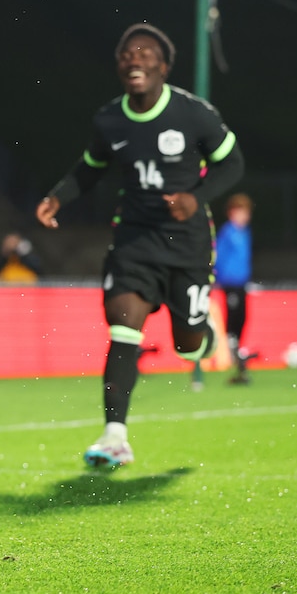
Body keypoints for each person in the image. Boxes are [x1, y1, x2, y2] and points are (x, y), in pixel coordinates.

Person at [36, 23, 245, 468]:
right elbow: (90, 166)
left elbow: (232, 163)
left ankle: (203, 339)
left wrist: (197, 198)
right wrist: (59, 196)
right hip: (134, 239)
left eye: (146, 53)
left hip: (187, 244)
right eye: (127, 54)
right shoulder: (109, 119)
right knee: (123, 325)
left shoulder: (194, 114)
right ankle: (115, 437)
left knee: (188, 346)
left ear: (163, 67)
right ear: (119, 66)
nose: (135, 58)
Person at [214, 192, 255, 384]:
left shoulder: (244, 232)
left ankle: (237, 350)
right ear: (231, 212)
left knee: (242, 317)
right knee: (233, 318)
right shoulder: (228, 232)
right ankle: (231, 353)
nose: (244, 216)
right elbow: (219, 257)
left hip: (241, 283)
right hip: (230, 283)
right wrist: (219, 278)